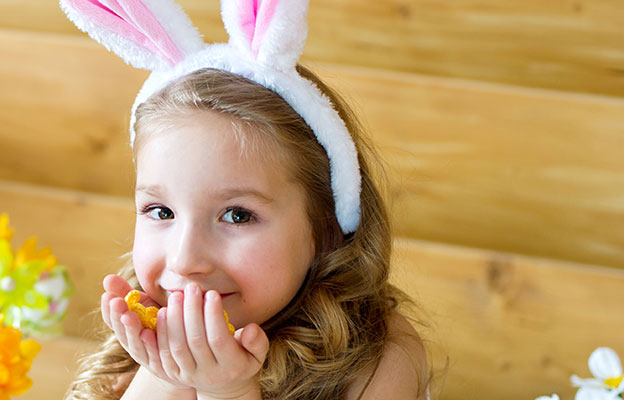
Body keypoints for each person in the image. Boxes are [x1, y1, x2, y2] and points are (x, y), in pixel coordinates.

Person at [61, 0, 430, 398]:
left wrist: (228, 391)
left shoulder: (381, 357)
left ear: (325, 227)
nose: (185, 260)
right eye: (161, 211)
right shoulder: (141, 333)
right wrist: (168, 373)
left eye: (237, 216)